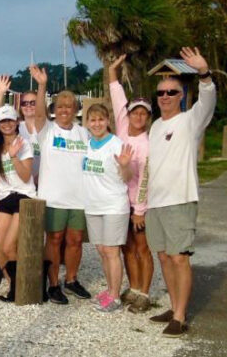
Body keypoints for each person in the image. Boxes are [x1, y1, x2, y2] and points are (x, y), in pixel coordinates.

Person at [146, 47, 215, 337]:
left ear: (181, 96)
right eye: (161, 92)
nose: (165, 96)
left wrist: (204, 73)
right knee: (163, 257)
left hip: (180, 200)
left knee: (179, 258)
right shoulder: (154, 127)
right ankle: (173, 306)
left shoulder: (190, 121)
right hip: (155, 203)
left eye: (171, 92)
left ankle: (180, 316)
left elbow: (208, 100)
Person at [31, 65, 92, 304]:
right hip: (54, 198)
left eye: (69, 106)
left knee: (75, 240)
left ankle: (72, 279)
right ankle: (54, 283)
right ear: (54, 110)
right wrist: (42, 86)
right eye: (60, 106)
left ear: (75, 109)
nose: (65, 110)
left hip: (79, 198)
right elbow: (38, 115)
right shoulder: (47, 131)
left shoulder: (83, 133)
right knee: (54, 240)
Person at [108, 54, 154, 313]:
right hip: (119, 201)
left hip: (138, 205)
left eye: (143, 113)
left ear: (147, 117)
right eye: (135, 111)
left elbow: (145, 179)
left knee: (142, 248)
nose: (138, 116)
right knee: (126, 248)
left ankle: (145, 293)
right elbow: (116, 91)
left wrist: (140, 210)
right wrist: (113, 69)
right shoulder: (122, 125)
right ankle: (134, 288)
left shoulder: (147, 144)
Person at [82, 104, 134, 312]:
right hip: (93, 205)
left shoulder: (116, 144)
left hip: (113, 204)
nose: (97, 124)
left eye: (101, 119)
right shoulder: (87, 144)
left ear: (107, 121)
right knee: (102, 250)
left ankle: (115, 296)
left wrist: (124, 165)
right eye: (93, 120)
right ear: (87, 123)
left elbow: (127, 177)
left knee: (112, 251)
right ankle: (110, 289)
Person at [0, 105, 37, 302]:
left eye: (10, 120)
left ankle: (19, 287)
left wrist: (14, 156)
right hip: (5, 197)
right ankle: (12, 281)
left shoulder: (24, 144)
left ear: (17, 122)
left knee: (9, 246)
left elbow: (25, 176)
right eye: (2, 121)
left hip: (24, 196)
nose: (6, 124)